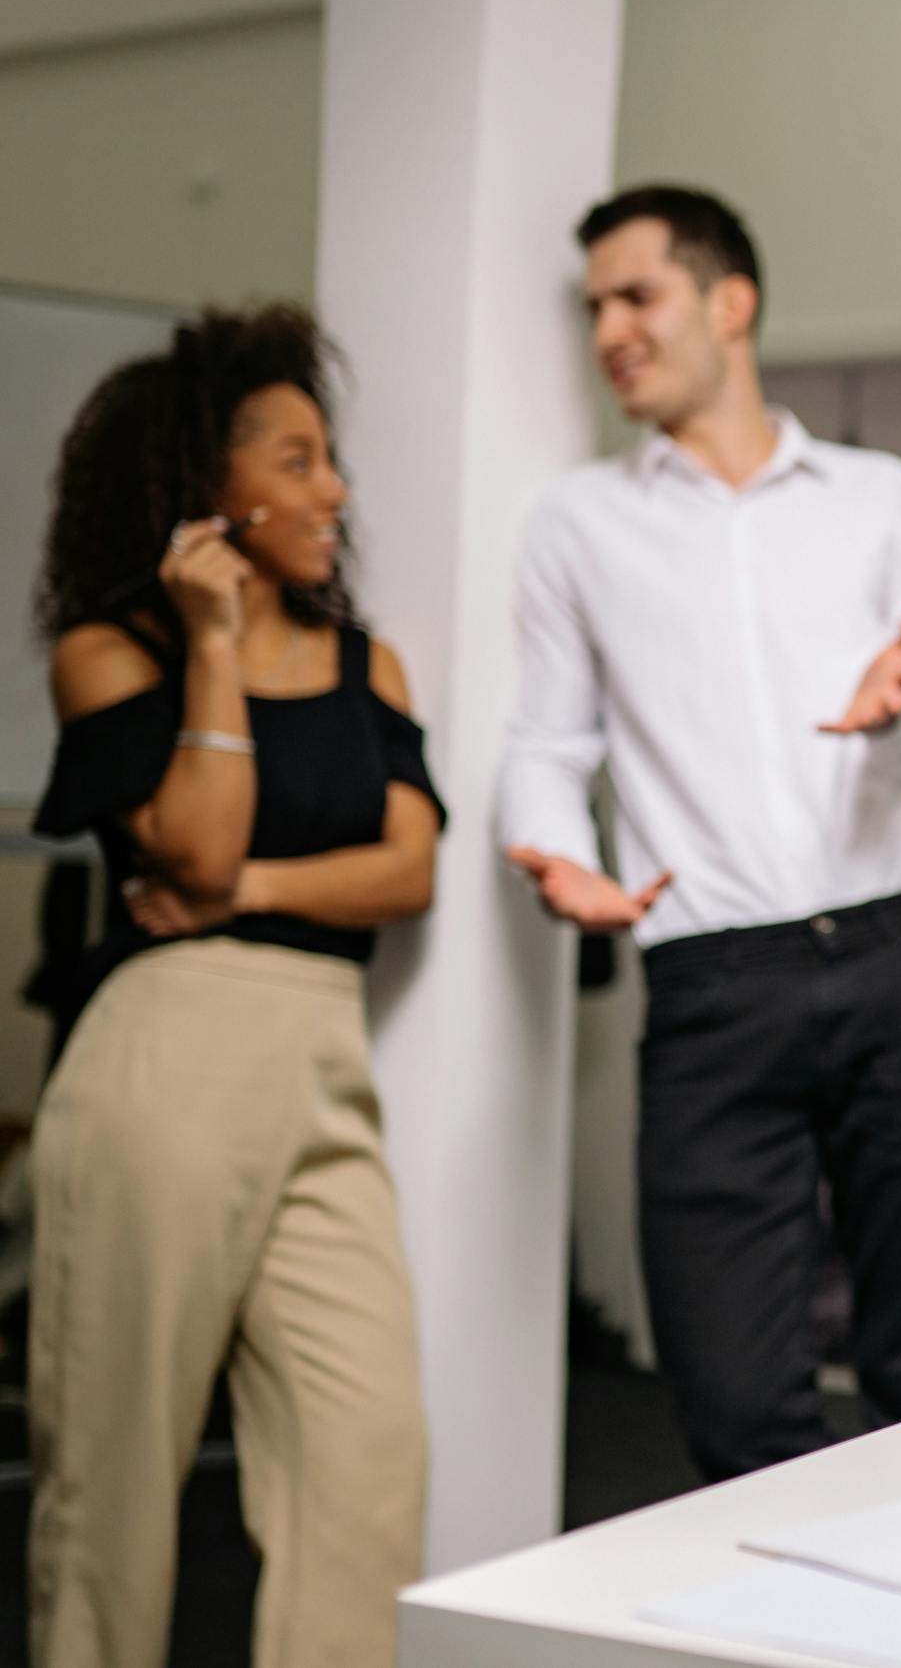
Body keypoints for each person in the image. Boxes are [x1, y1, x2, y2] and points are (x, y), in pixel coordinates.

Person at [498, 186, 901, 1480]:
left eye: (636, 295)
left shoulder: (876, 496)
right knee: (732, 1400)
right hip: (716, 982)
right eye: (596, 307)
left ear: (731, 303)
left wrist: (900, 713)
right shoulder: (576, 525)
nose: (610, 329)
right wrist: (559, 852)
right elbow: (551, 748)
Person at [25, 306, 441, 1668]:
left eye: (332, 460)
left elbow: (407, 866)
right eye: (300, 458)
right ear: (213, 483)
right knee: (117, 1469)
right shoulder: (112, 647)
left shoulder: (361, 658)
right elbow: (192, 835)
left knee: (366, 1454)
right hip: (166, 1051)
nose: (334, 490)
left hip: (322, 1058)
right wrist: (209, 634)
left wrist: (251, 888)